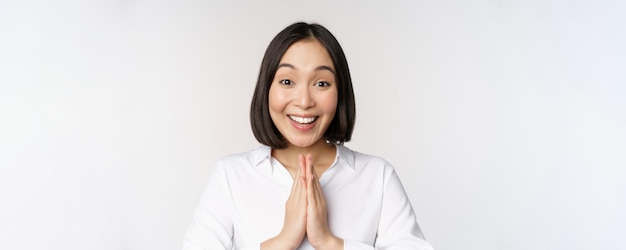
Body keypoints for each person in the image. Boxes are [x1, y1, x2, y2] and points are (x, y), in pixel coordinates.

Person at [183, 22, 433, 250]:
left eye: (321, 83)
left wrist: (330, 243)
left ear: (340, 92)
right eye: (287, 81)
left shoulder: (377, 177)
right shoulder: (230, 175)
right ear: (266, 88)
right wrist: (281, 243)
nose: (304, 102)